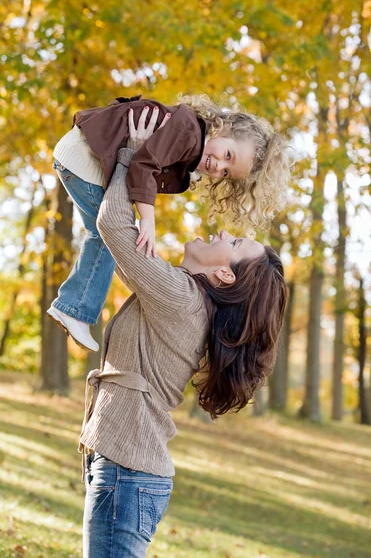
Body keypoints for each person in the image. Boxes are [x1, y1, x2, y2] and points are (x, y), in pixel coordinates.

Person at [79, 115, 288, 558]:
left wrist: (131, 155)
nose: (225, 232)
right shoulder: (188, 300)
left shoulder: (181, 298)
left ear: (223, 274)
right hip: (127, 472)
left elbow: (114, 226)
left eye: (234, 244)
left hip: (127, 476)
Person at [47, 95, 290, 352]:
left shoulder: (188, 147)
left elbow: (143, 171)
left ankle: (73, 307)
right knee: (105, 236)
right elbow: (142, 167)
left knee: (102, 237)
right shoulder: (188, 132)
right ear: (223, 128)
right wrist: (147, 221)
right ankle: (74, 310)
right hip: (84, 156)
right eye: (227, 154)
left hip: (79, 155)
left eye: (227, 172)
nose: (219, 166)